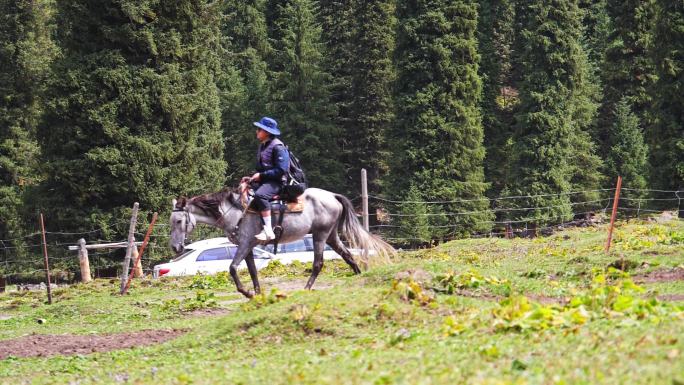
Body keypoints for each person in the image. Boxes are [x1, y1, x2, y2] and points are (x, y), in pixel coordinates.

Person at [246, 117, 290, 241]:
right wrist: (252, 178)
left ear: (267, 132)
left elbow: (282, 170)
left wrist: (261, 176)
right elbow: (262, 168)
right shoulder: (263, 146)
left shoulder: (278, 147)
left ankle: (269, 231)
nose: (257, 131)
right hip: (266, 181)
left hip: (277, 182)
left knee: (260, 195)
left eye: (259, 129)